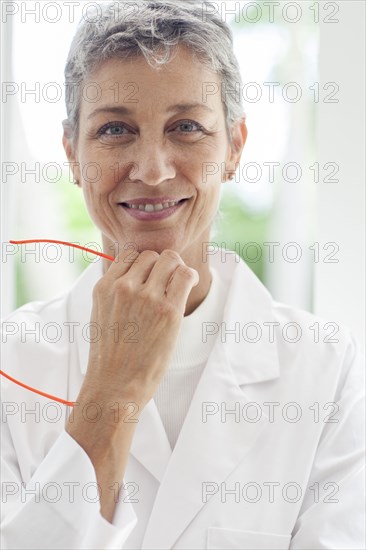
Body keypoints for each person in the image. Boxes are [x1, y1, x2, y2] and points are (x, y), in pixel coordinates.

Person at [1, 1, 364, 549]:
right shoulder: (12, 362)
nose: (152, 169)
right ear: (73, 155)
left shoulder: (327, 370)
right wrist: (113, 393)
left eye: (187, 127)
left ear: (235, 148)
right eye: (115, 129)